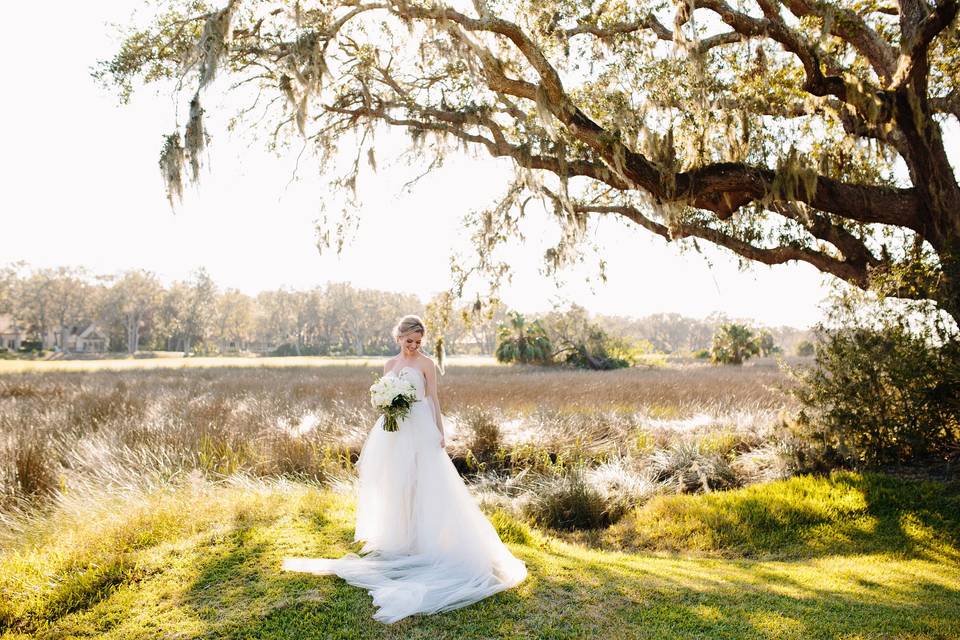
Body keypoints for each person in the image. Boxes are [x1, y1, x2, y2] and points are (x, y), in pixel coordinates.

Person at [281, 314, 528, 623]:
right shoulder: (389, 366)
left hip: (421, 429)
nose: (413, 346)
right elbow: (384, 401)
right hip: (394, 432)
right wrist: (388, 407)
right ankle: (405, 538)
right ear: (398, 338)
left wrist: (441, 432)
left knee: (426, 483)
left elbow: (434, 399)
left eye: (418, 342)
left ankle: (429, 539)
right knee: (397, 484)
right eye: (409, 341)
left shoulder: (426, 364)